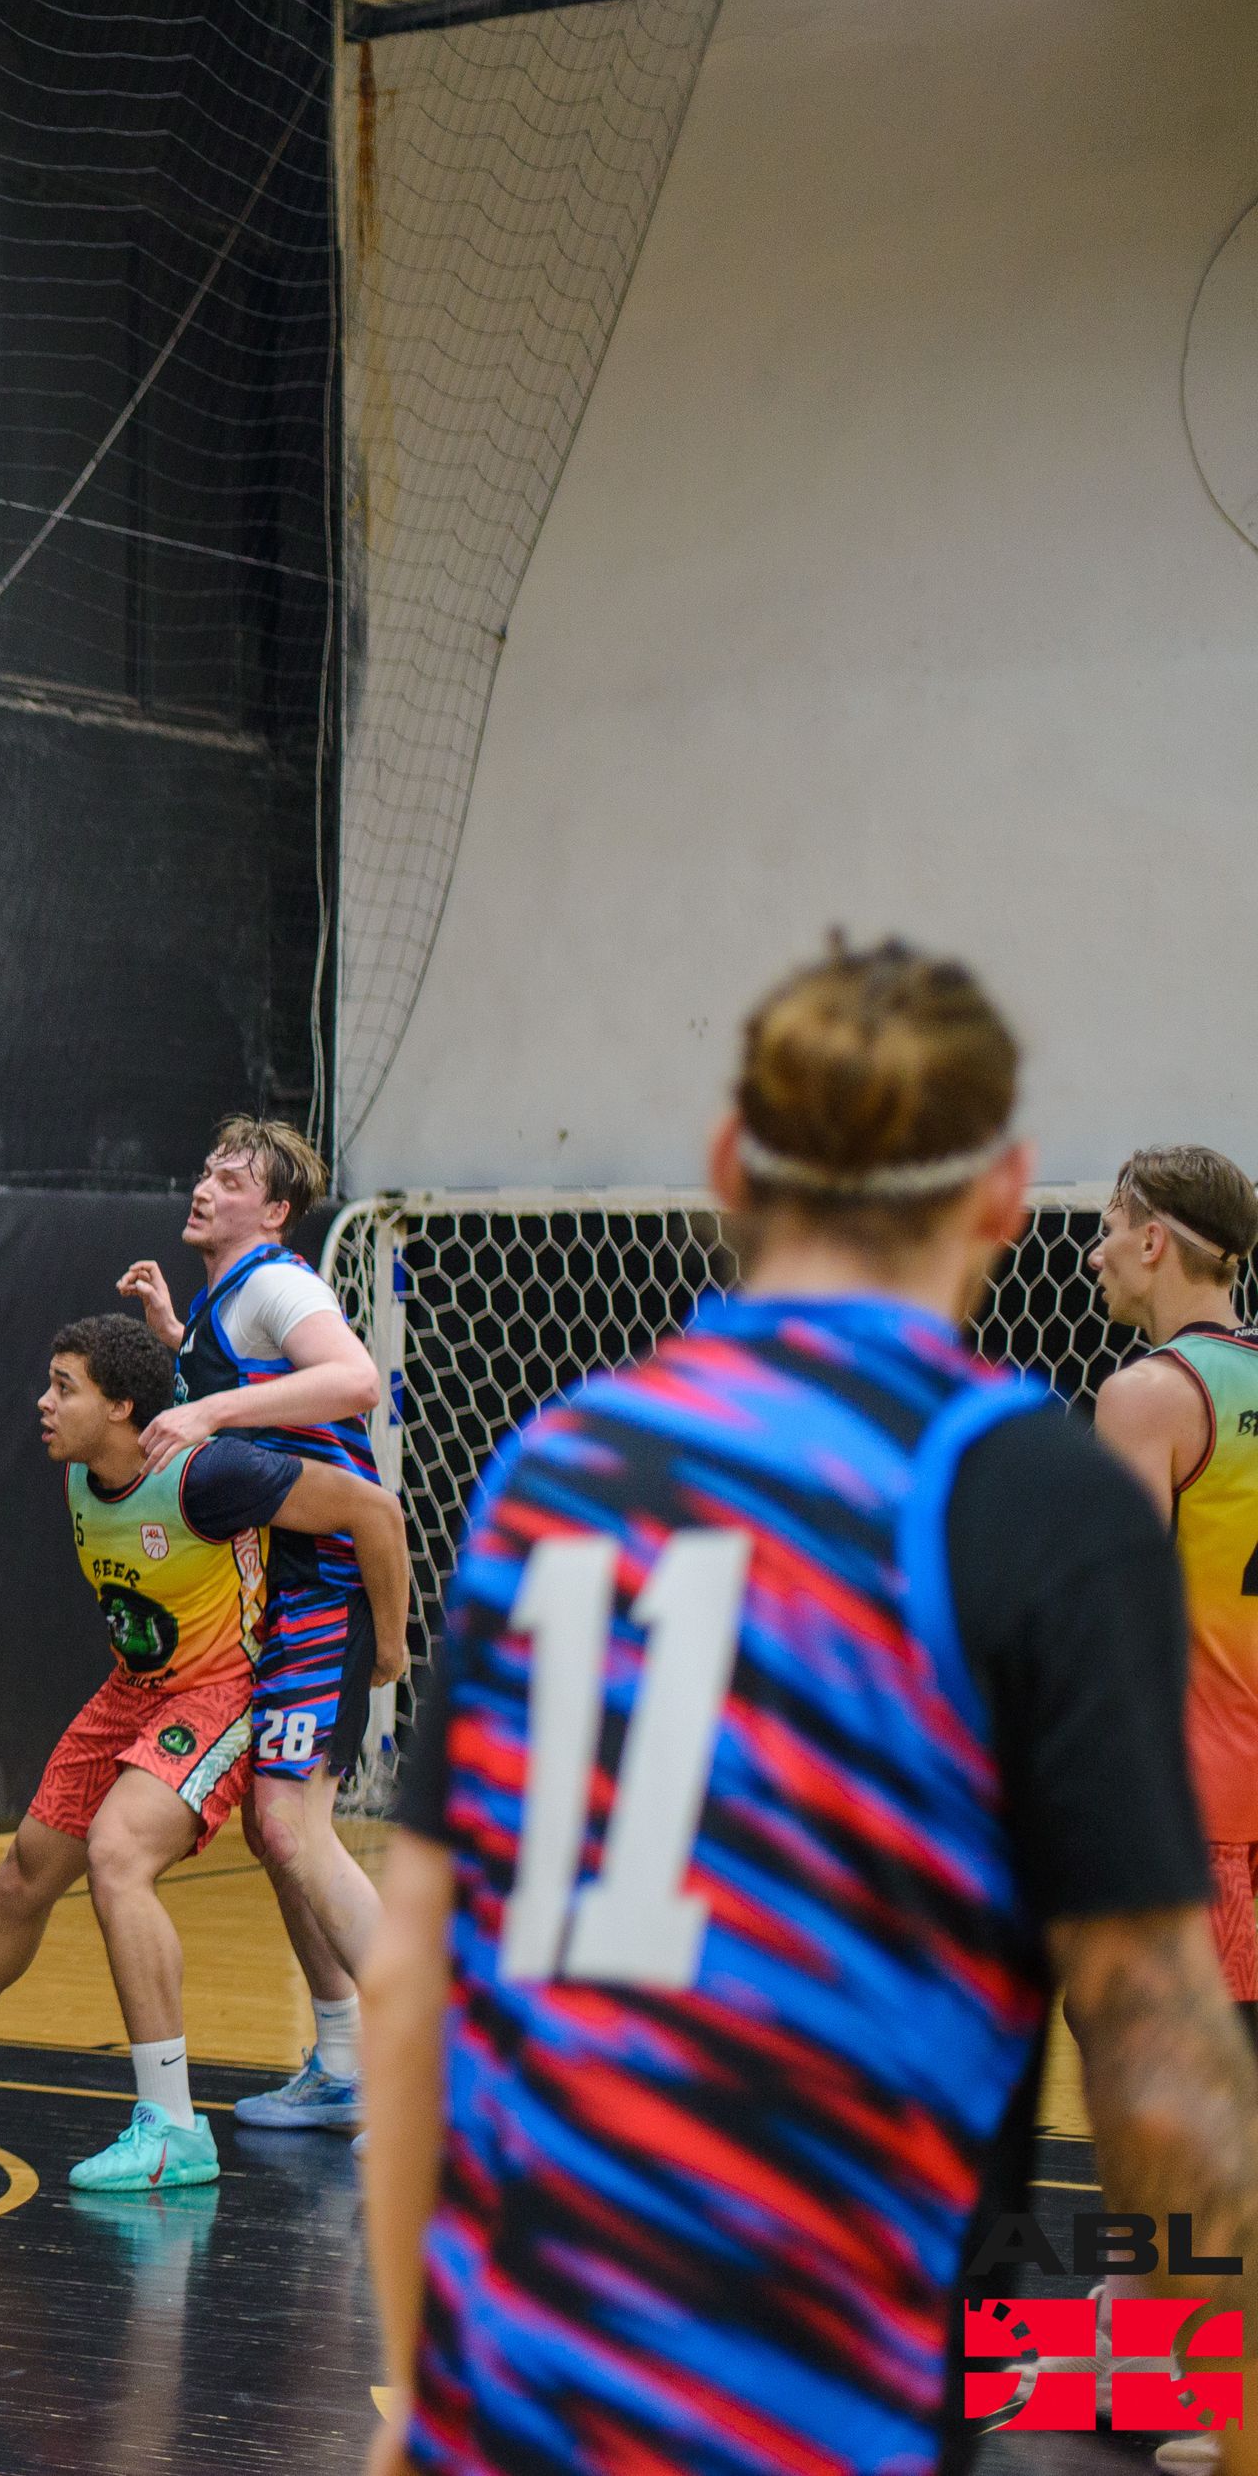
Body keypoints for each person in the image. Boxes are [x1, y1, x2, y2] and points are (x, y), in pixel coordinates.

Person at [361, 940, 1258, 2476]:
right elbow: (1159, 2071)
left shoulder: (554, 1465)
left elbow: (407, 1984)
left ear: (729, 1163)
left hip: (521, 2387)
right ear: (1005, 1196)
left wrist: (419, 2395)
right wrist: (1227, 2428)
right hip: (828, 2402)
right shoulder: (1031, 1491)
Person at [0, 1313, 407, 2194]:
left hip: (223, 1693)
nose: (44, 1404)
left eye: (65, 1388)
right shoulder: (84, 1471)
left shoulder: (210, 1474)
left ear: (122, 1407)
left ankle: (173, 2127)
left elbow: (374, 1510)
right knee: (25, 1872)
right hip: (134, 1689)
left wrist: (388, 1647)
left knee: (120, 1857)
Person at [117, 1116, 392, 2135]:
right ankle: (344, 2059)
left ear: (274, 1211)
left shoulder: (279, 1283)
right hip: (284, 1590)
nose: (205, 1185)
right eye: (206, 1168)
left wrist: (207, 1412)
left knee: (290, 1827)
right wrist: (175, 1342)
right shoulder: (223, 1300)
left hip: (326, 1583)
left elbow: (355, 1380)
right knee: (273, 1836)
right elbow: (255, 1388)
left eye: (232, 1179)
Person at [1088, 1145, 1258, 2050]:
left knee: (1163, 2083)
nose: (1095, 1254)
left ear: (1153, 1243)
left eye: (1109, 1229)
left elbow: (1122, 1633)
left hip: (1200, 1813)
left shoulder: (1146, 1397)